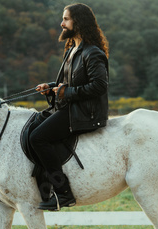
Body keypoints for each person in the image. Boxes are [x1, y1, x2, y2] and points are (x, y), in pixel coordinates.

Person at [30, 3, 109, 211]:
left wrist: (68, 92)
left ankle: (63, 193)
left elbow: (100, 86)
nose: (61, 23)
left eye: (66, 19)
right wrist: (52, 87)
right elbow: (68, 82)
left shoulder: (92, 53)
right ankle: (43, 185)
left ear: (78, 22)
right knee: (32, 125)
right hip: (67, 108)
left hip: (83, 113)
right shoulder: (72, 50)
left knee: (38, 137)